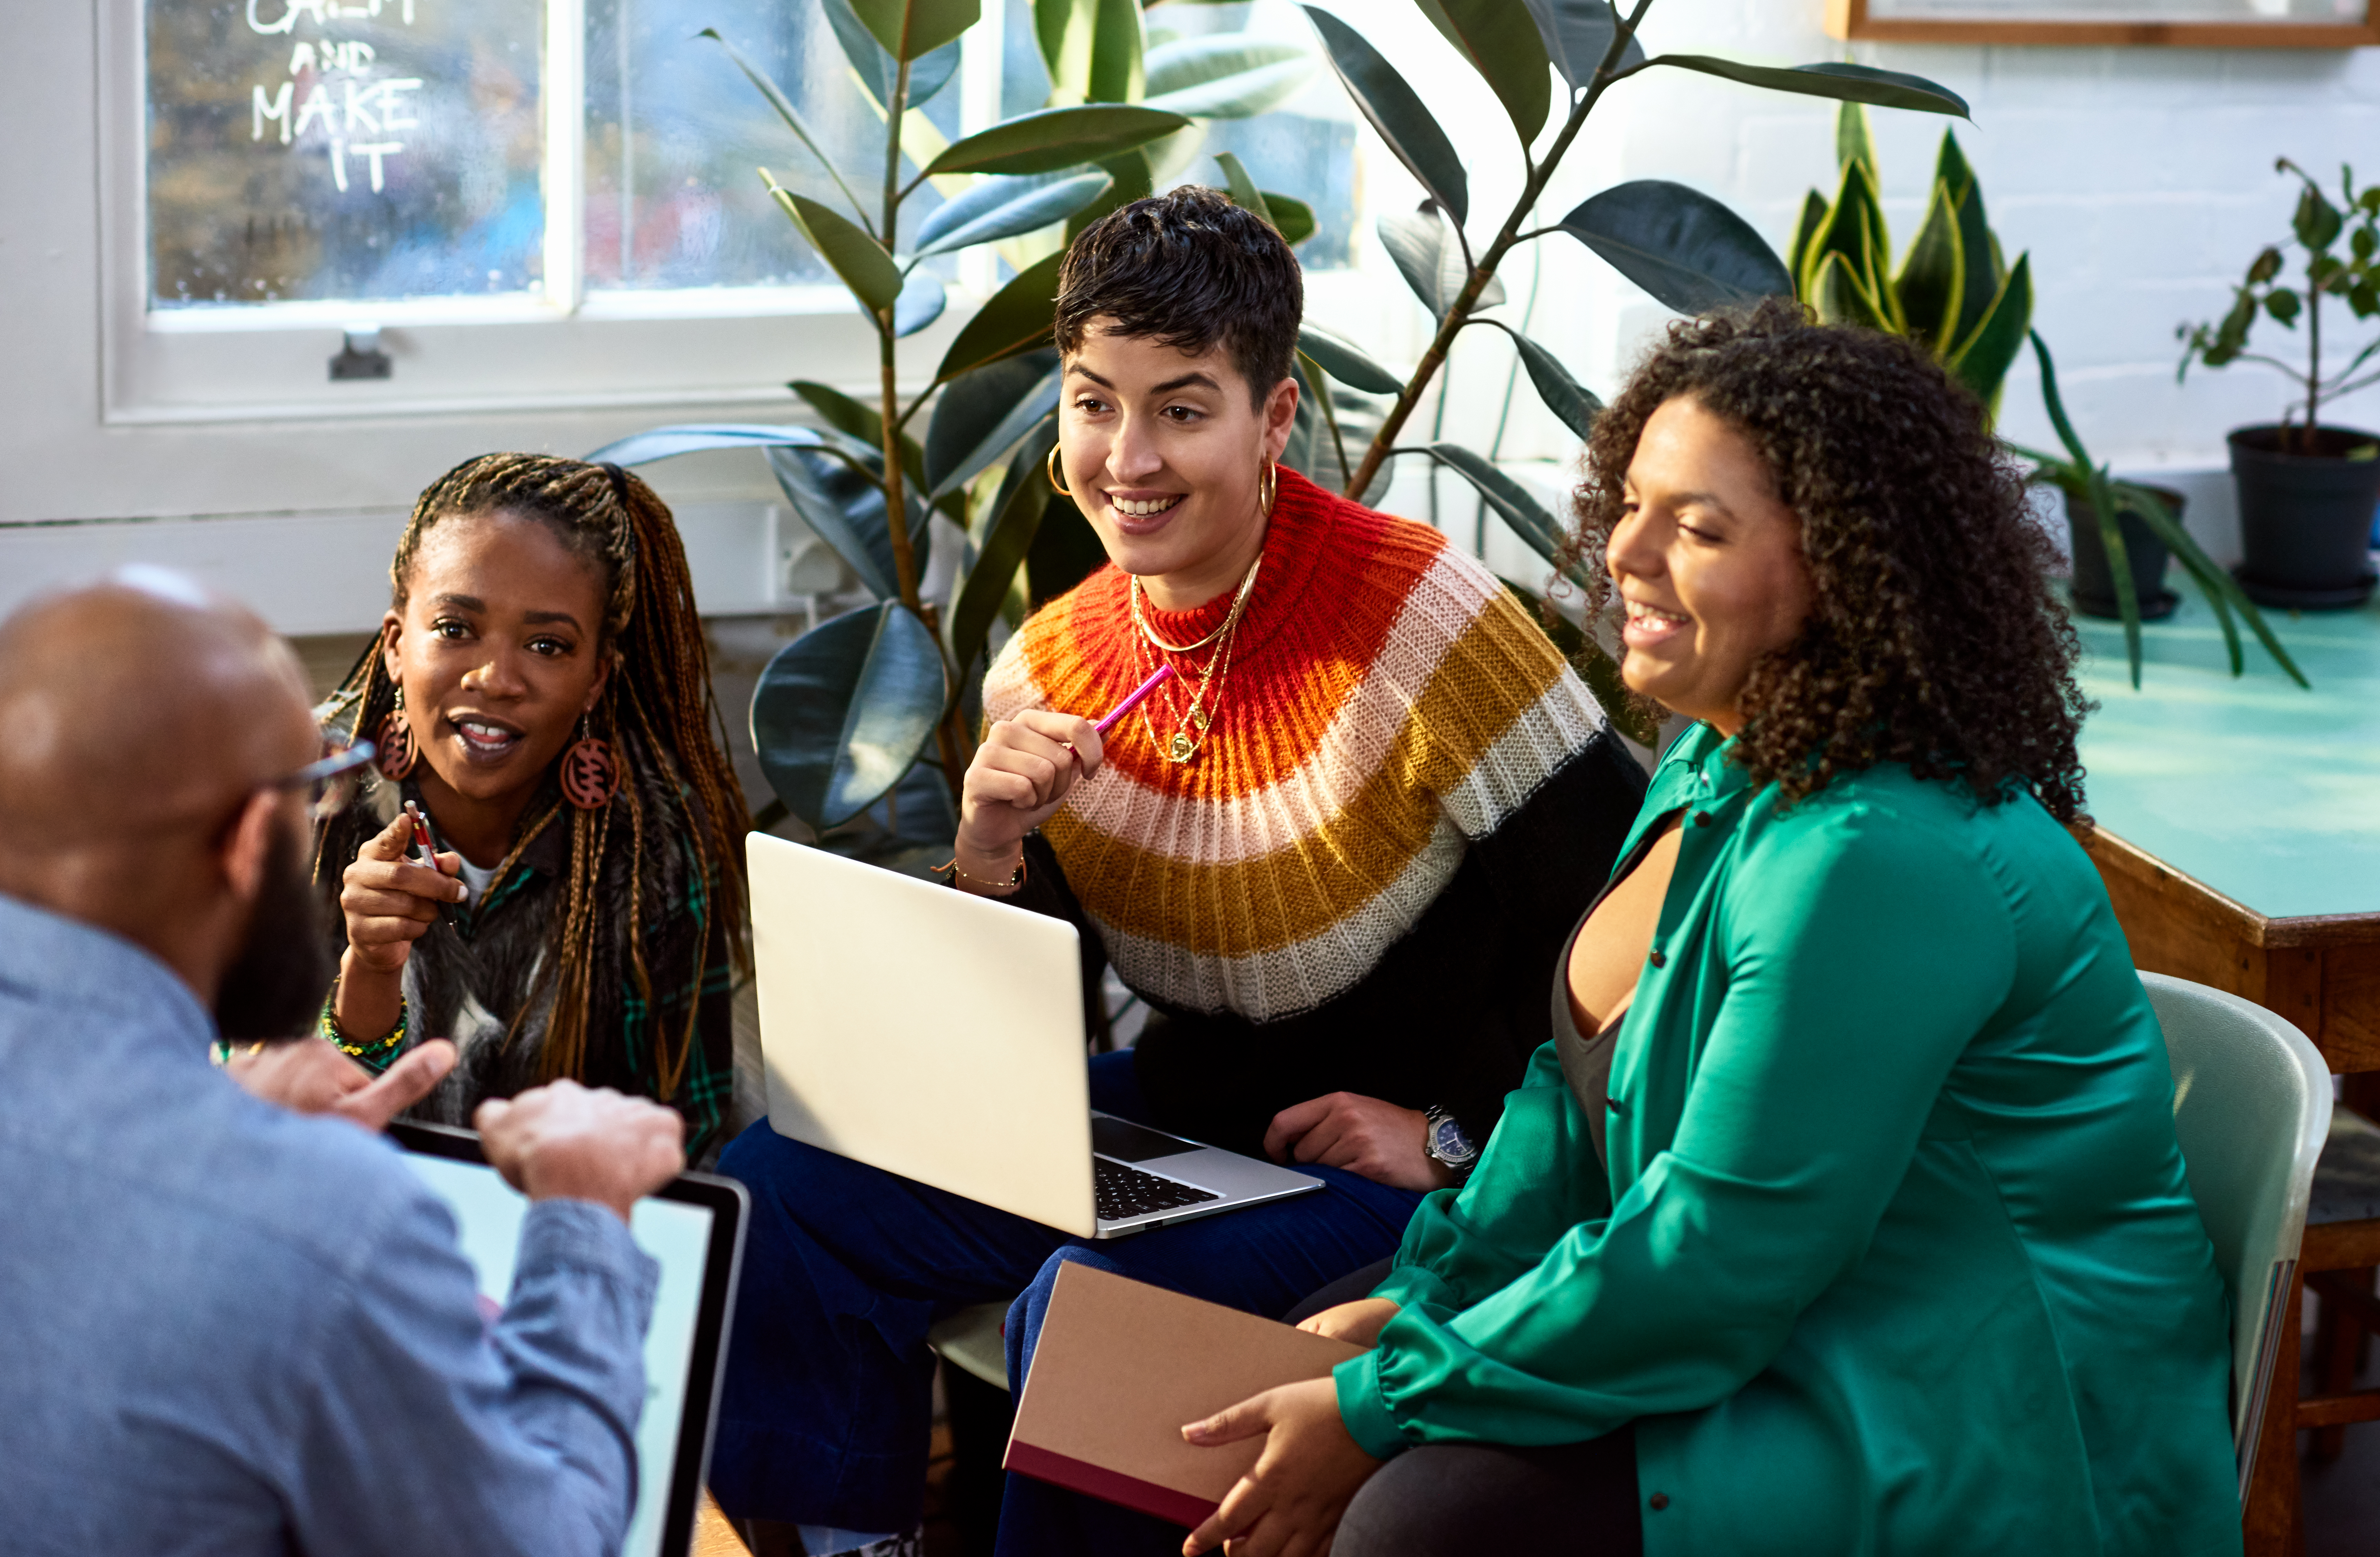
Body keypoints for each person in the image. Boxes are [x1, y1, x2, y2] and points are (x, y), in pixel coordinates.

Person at [1177, 303, 2245, 1557]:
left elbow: (1718, 1256)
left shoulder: (1877, 852)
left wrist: (1396, 1392)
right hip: (1784, 1312)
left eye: (1697, 527)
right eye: (1632, 502)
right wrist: (1431, 1297)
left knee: (1414, 1518)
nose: (1625, 549)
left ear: (1845, 567)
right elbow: (1568, 1109)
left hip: (1960, 1405)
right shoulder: (1715, 757)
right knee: (1284, 1360)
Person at [707, 185, 1645, 1555]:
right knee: (783, 1181)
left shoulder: (1425, 620)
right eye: (1094, 403)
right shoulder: (1046, 661)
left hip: (1408, 1164)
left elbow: (1639, 936)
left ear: (1273, 418)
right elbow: (1027, 1026)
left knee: (1094, 1314)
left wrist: (1458, 1138)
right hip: (1188, 1125)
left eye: (1182, 409)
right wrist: (989, 851)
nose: (1127, 457)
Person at [0, 571, 690, 1557]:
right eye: (313, 785)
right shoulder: (332, 1231)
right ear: (250, 840)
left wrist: (215, 1112)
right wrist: (583, 1220)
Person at [311, 454, 755, 1161]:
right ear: (396, 644)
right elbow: (250, 1112)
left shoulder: (655, 845)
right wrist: (368, 971)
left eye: (547, 645)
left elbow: (680, 1135)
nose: (496, 678)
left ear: (595, 680)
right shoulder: (302, 799)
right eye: (455, 628)